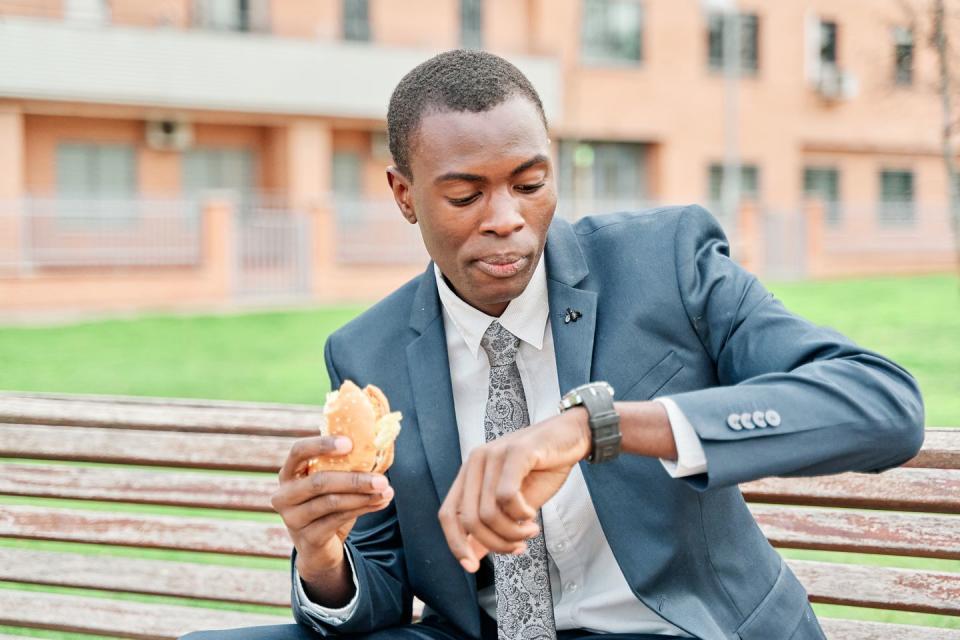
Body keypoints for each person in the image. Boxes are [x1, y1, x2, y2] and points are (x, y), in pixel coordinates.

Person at [182, 50, 924, 640]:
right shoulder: (366, 352)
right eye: (466, 195)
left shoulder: (663, 265)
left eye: (530, 182)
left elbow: (881, 404)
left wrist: (596, 427)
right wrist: (323, 558)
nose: (507, 218)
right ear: (403, 194)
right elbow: (378, 590)